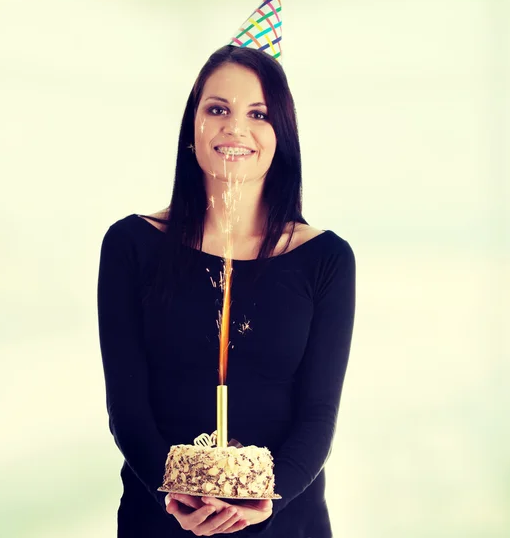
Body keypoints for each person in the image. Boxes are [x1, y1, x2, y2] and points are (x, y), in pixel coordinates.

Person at [96, 44, 356, 537]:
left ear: (281, 134)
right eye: (218, 109)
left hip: (284, 520)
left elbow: (319, 414)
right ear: (190, 129)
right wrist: (170, 493)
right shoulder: (131, 244)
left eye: (258, 113)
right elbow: (127, 407)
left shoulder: (326, 258)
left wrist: (268, 497)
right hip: (160, 518)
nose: (235, 128)